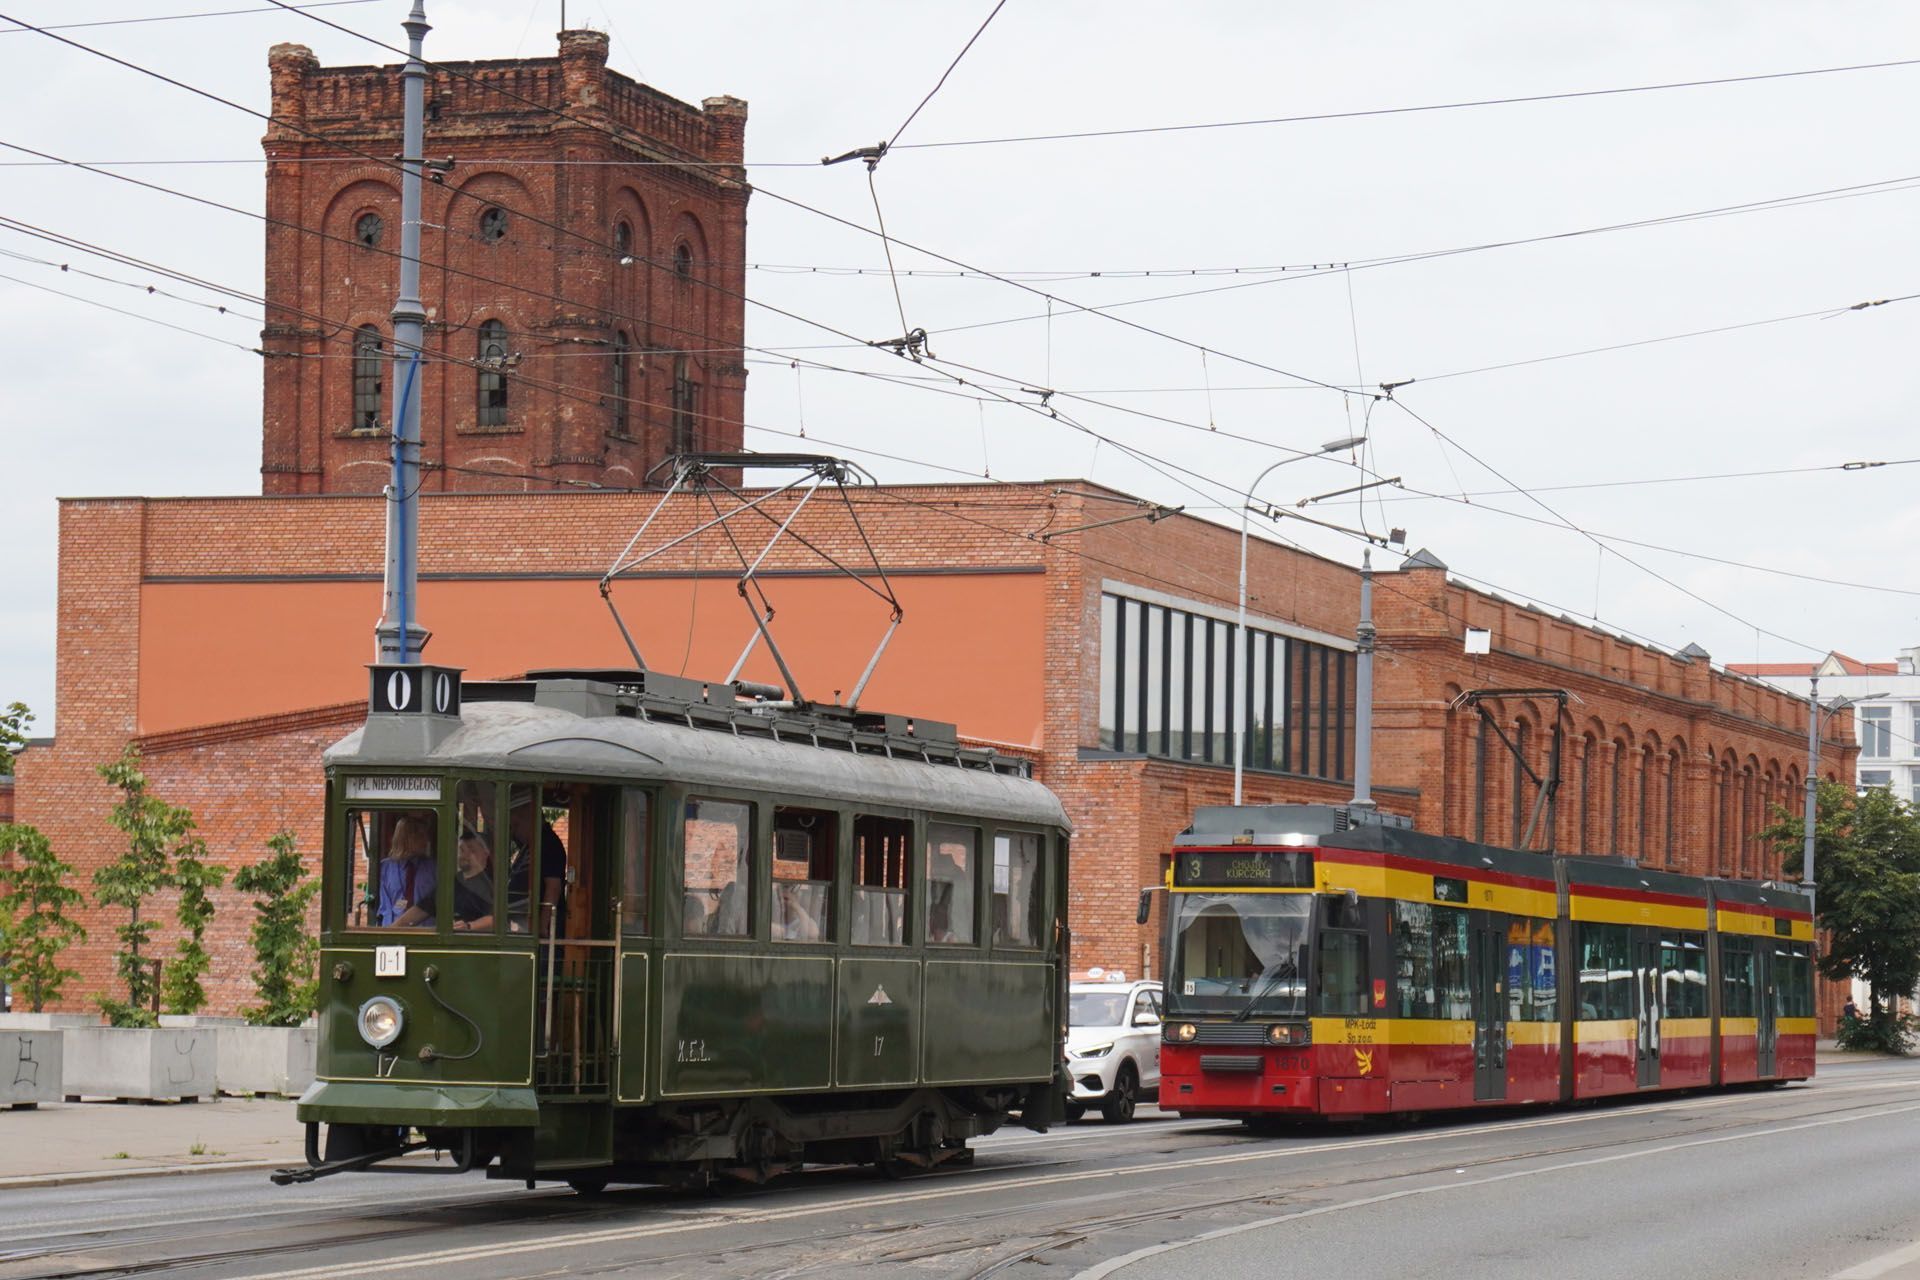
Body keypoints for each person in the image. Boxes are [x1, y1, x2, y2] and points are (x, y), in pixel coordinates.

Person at [507, 794, 567, 937]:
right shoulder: (529, 845)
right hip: (522, 922)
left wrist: (542, 927)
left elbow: (553, 887)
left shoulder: (548, 843)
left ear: (530, 820)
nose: (514, 832)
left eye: (515, 826)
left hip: (540, 930)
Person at [378, 817, 435, 928]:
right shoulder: (385, 867)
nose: (426, 841)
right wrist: (389, 934)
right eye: (420, 836)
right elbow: (385, 907)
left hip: (426, 933)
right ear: (406, 838)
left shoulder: (434, 868)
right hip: (395, 931)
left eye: (426, 836)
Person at [451, 831, 496, 932]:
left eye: (471, 850)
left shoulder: (493, 884)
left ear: (486, 852)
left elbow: (497, 918)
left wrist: (469, 926)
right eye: (462, 850)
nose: (465, 855)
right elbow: (425, 906)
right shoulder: (453, 881)